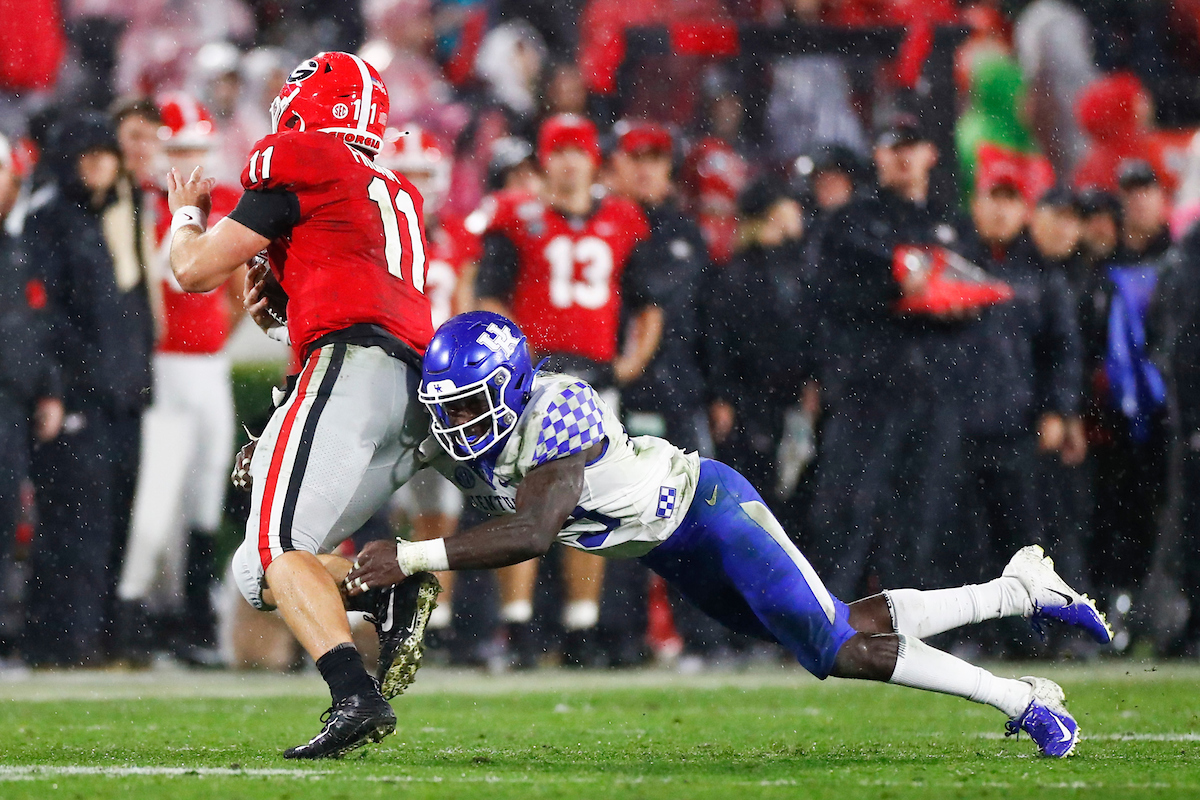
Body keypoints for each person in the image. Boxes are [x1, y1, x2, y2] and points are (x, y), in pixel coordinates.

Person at [346, 310, 1113, 759]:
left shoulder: (559, 408)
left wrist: (411, 555)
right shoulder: (468, 428)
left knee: (835, 648)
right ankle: (1018, 589)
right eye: (450, 410)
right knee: (841, 629)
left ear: (512, 388)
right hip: (674, 551)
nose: (459, 427)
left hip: (709, 512)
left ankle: (1019, 699)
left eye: (475, 408)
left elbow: (535, 530)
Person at [166, 51, 440, 759]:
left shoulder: (302, 155)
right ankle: (386, 587)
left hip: (349, 371)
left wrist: (185, 216)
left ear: (306, 104)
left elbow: (194, 272)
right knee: (261, 575)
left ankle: (354, 694)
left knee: (276, 547)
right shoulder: (392, 189)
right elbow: (354, 283)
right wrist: (285, 317)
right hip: (409, 399)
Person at [473, 113, 661, 667]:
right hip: (533, 377)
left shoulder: (624, 219)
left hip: (596, 378)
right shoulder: (517, 217)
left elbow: (649, 302)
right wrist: (515, 362)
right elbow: (489, 294)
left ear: (593, 158)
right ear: (544, 159)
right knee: (521, 499)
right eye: (560, 150)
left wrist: (632, 361)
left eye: (578, 150)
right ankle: (518, 628)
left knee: (592, 499)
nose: (570, 160)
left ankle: (582, 625)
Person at [117, 92, 244, 665]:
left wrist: (222, 323)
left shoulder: (223, 209)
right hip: (163, 364)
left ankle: (193, 617)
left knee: (205, 491)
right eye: (182, 148)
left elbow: (241, 291)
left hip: (208, 365)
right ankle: (151, 617)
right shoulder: (142, 205)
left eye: (199, 147)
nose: (193, 159)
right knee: (159, 494)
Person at [22, 111, 153, 667]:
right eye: (89, 153)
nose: (101, 162)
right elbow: (43, 316)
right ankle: (62, 642)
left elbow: (132, 310)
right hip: (78, 399)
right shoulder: (48, 221)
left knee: (116, 520)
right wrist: (56, 386)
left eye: (108, 152)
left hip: (124, 398)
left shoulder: (119, 215)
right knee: (76, 524)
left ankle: (102, 640)